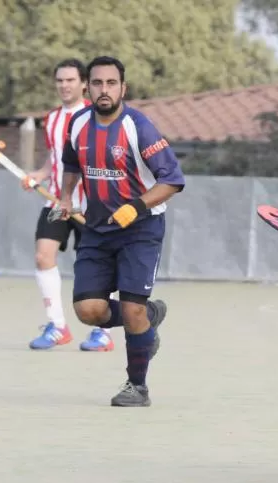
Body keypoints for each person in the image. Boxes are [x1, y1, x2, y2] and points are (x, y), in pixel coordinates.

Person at [57, 56, 184, 407]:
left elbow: (172, 179)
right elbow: (71, 162)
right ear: (88, 87)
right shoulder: (78, 124)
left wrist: (136, 206)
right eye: (97, 83)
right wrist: (67, 196)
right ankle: (146, 321)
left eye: (111, 83)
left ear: (123, 88)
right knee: (88, 310)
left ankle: (137, 386)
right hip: (97, 230)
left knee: (131, 310)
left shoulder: (138, 127)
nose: (104, 90)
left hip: (140, 230)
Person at [23, 58, 116, 352]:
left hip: (92, 206)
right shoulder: (51, 119)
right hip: (56, 201)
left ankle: (103, 332)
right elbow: (55, 158)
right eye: (60, 80)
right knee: (43, 256)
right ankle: (57, 326)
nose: (64, 85)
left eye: (70, 80)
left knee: (96, 267)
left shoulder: (96, 116)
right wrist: (39, 174)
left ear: (84, 84)